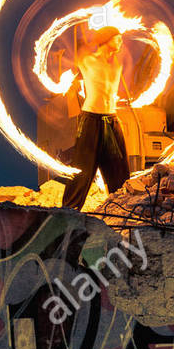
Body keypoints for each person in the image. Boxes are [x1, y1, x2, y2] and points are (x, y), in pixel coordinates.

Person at [60, 22, 131, 210]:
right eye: (117, 38)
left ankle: (122, 210)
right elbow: (77, 43)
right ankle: (69, 211)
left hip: (112, 121)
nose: (121, 42)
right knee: (83, 169)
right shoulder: (87, 60)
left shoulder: (117, 62)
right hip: (91, 120)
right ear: (107, 40)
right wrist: (83, 20)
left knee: (120, 170)